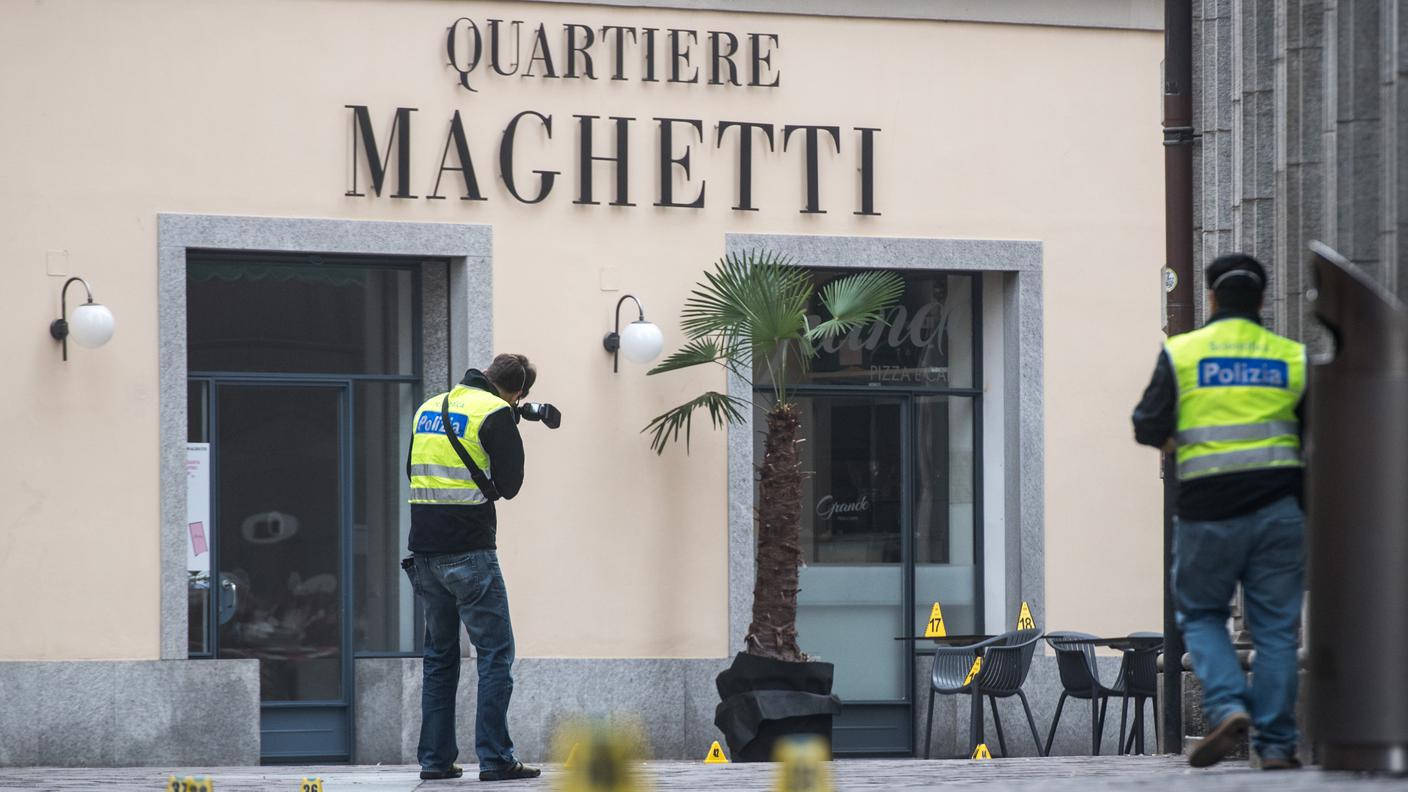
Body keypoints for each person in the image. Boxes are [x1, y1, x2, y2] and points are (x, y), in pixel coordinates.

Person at [1131, 254, 1307, 770]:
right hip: (1278, 511)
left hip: (1206, 511)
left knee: (1203, 615)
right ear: (1261, 299)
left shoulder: (1184, 353)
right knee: (1276, 630)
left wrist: (1178, 444)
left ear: (1211, 297)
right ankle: (1276, 745)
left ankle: (1228, 704)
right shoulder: (1290, 357)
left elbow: (1145, 424)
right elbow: (1313, 435)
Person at [403, 353, 541, 782]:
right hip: (469, 551)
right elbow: (510, 487)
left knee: (439, 657)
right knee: (496, 653)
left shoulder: (429, 406)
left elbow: (413, 469)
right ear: (516, 391)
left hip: (424, 551)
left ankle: (435, 761)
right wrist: (511, 427)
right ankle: (497, 758)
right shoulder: (496, 412)